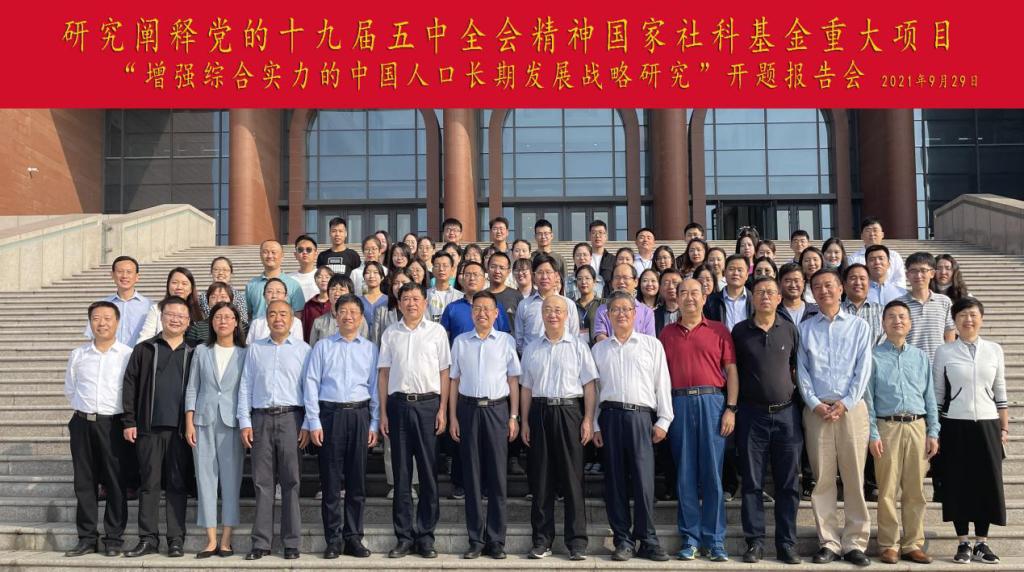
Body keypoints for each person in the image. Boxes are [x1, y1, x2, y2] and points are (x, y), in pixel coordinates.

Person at [796, 269, 873, 567]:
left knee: (854, 477)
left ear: (841, 288)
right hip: (817, 412)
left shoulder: (859, 326)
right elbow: (802, 371)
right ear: (812, 293)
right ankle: (828, 541)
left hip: (851, 410)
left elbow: (863, 369)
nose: (824, 290)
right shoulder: (805, 329)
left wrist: (846, 402)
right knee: (823, 479)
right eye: (817, 286)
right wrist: (814, 403)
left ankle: (855, 542)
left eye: (829, 285)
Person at [659, 278, 738, 562]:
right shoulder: (666, 333)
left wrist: (730, 408)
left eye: (695, 293)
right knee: (686, 473)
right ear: (676, 298)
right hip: (679, 403)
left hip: (712, 402)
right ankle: (690, 538)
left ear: (705, 298)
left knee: (712, 474)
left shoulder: (719, 330)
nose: (690, 297)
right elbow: (660, 376)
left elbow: (731, 371)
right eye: (684, 293)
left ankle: (715, 540)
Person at [591, 291, 673, 562]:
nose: (621, 314)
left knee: (644, 481)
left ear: (635, 314)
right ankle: (623, 540)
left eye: (626, 309)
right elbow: (595, 390)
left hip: (641, 418)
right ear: (608, 315)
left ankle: (647, 539)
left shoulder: (651, 345)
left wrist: (664, 420)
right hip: (610, 417)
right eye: (615, 309)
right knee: (614, 482)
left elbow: (662, 383)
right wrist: (595, 424)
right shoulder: (599, 350)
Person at [519, 295, 598, 561]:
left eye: (558, 310)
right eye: (548, 310)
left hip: (569, 412)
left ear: (566, 315)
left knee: (572, 478)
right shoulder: (532, 348)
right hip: (540, 412)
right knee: (541, 478)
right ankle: (542, 540)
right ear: (541, 314)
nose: (552, 314)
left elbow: (589, 385)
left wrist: (588, 419)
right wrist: (525, 421)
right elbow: (526, 388)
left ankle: (576, 542)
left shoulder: (578, 346)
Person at [732, 277, 803, 565]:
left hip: (786, 415)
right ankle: (755, 542)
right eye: (760, 292)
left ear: (778, 298)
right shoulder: (740, 331)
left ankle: (787, 544)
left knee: (788, 483)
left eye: (770, 292)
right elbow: (733, 372)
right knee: (752, 482)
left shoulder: (789, 329)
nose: (765, 296)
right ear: (752, 298)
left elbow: (797, 368)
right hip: (752, 415)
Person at [378, 283, 452, 559]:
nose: (411, 303)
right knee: (401, 474)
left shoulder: (436, 332)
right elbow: (384, 375)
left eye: (416, 298)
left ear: (425, 302)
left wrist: (443, 410)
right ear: (399, 303)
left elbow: (444, 373)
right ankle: (404, 536)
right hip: (398, 405)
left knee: (428, 473)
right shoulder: (390, 333)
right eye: (406, 298)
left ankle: (426, 536)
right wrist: (383, 412)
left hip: (428, 406)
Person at [304, 294, 379, 559]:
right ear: (335, 315)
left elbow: (375, 388)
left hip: (359, 415)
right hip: (330, 416)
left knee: (357, 481)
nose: (348, 316)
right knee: (331, 481)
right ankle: (333, 539)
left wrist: (374, 422)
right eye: (343, 311)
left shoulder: (370, 349)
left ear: (361, 317)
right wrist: (313, 421)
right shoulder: (322, 347)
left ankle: (354, 537)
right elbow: (311, 383)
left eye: (353, 312)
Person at [864, 300, 939, 565]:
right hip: (887, 427)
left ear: (910, 323)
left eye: (902, 317)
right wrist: (873, 434)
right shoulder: (873, 356)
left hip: (917, 426)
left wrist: (933, 431)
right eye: (892, 317)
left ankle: (913, 544)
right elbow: (868, 399)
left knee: (915, 489)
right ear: (883, 323)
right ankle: (889, 544)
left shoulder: (920, 357)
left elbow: (930, 396)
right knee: (887, 489)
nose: (898, 321)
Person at [448, 291, 522, 560]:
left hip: (497, 410)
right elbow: (454, 381)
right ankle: (476, 539)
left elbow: (513, 381)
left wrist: (514, 417)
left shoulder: (505, 341)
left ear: (496, 313)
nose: (481, 313)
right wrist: (453, 417)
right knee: (472, 476)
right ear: (471, 313)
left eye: (487, 309)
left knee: (497, 477)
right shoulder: (460, 342)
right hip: (467, 410)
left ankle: (496, 540)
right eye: (477, 308)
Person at [934, 297, 1008, 565]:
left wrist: (1004, 426)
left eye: (973, 314)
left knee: (986, 483)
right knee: (958, 482)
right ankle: (963, 542)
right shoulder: (945, 352)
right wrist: (935, 429)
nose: (968, 320)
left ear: (981, 319)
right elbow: (938, 393)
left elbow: (1000, 389)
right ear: (955, 320)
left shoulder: (994, 350)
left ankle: (982, 543)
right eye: (962, 315)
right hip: (954, 423)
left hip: (988, 422)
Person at [122, 296, 196, 558]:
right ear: (161, 317)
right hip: (148, 428)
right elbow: (129, 385)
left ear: (188, 321)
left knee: (177, 484)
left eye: (181, 316)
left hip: (181, 431)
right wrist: (129, 420)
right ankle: (147, 538)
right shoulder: (145, 349)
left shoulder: (194, 352)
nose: (175, 319)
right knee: (149, 485)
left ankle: (175, 539)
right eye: (170, 314)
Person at [238, 300, 311, 561]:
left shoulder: (303, 350)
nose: (278, 318)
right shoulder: (255, 349)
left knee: (292, 481)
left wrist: (308, 422)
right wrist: (244, 421)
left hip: (292, 418)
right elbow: (245, 385)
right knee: (262, 482)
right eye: (272, 314)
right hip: (260, 419)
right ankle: (261, 542)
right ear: (266, 319)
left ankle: (291, 542)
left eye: (283, 314)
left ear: (292, 319)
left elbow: (309, 388)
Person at [64, 301, 133, 558]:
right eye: (96, 318)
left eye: (107, 318)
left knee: (115, 481)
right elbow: (70, 388)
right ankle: (86, 538)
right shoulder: (78, 354)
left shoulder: (127, 354)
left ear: (117, 322)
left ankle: (113, 538)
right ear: (90, 322)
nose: (101, 323)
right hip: (82, 423)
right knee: (84, 482)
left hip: (113, 424)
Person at [183, 302, 246, 559]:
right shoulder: (201, 351)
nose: (223, 321)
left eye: (228, 317)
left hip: (233, 422)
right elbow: (192, 387)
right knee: (205, 479)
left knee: (231, 480)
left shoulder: (245, 353)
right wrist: (189, 421)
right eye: (218, 317)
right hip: (203, 420)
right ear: (212, 322)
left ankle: (226, 539)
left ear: (236, 322)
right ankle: (210, 540)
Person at [514, 255, 581, 353]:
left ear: (556, 276)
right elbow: (519, 341)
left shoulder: (568, 304)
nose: (544, 277)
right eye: (540, 272)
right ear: (533, 276)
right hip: (533, 359)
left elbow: (574, 336)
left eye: (548, 272)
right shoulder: (524, 305)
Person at [898, 252, 956, 362]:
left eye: (923, 270)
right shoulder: (898, 304)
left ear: (932, 273)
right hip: (910, 364)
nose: (918, 275)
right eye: (913, 271)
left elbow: (950, 337)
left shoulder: (944, 302)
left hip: (938, 365)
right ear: (907, 275)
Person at [441, 260, 511, 343]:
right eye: (467, 275)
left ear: (484, 280)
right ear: (462, 280)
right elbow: (444, 341)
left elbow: (505, 339)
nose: (472, 278)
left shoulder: (495, 306)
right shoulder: (452, 308)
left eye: (476, 274)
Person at [137, 267, 203, 343]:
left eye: (184, 283)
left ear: (191, 289)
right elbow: (144, 338)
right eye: (174, 283)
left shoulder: (200, 312)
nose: (179, 287)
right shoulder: (157, 309)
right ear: (168, 286)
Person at [592, 263, 655, 342]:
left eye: (625, 277)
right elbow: (600, 337)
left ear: (636, 282)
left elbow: (650, 340)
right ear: (612, 282)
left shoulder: (646, 312)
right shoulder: (602, 310)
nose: (621, 281)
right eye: (617, 277)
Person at [246, 240, 305, 318]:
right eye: (265, 252)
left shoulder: (294, 285)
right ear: (260, 255)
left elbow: (298, 314)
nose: (270, 256)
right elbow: (248, 314)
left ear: (282, 255)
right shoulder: (251, 285)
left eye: (273, 252)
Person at [848, 217, 907, 289]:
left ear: (882, 234)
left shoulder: (894, 256)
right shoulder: (853, 259)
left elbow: (900, 281)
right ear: (862, 236)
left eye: (875, 230)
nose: (872, 234)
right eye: (868, 231)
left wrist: (885, 292)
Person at [311, 275, 368, 347]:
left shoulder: (360, 320)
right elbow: (313, 348)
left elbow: (365, 346)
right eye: (333, 289)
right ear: (328, 293)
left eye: (342, 289)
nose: (337, 293)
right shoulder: (319, 322)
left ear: (350, 293)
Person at [704, 254, 753, 332]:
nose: (735, 273)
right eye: (731, 269)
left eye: (740, 270)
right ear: (725, 273)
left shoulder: (755, 300)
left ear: (747, 275)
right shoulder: (711, 301)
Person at [246, 278, 304, 344]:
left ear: (285, 296)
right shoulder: (257, 323)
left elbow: (298, 346)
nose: (274, 296)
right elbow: (249, 347)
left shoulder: (295, 322)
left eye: (278, 292)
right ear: (264, 296)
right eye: (269, 292)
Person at [198, 256, 249, 329]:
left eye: (225, 270)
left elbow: (243, 322)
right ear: (211, 272)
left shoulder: (239, 297)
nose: (221, 273)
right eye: (216, 270)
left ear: (231, 273)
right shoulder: (203, 297)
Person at [841, 263, 884, 346]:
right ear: (844, 285)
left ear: (869, 284)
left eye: (862, 278)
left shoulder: (882, 312)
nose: (858, 282)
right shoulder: (835, 311)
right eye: (853, 278)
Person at [487, 251, 523, 337]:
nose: (497, 271)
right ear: (487, 269)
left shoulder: (516, 296)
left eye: (502, 268)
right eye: (493, 267)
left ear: (508, 271)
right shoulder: (480, 297)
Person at [426, 252, 464, 321]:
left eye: (445, 266)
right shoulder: (425, 296)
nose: (441, 269)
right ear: (433, 270)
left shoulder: (460, 297)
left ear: (452, 270)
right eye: (437, 266)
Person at [301, 266, 334, 342]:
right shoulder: (309, 305)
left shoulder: (336, 303)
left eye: (327, 277)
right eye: (319, 277)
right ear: (315, 281)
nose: (323, 280)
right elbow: (305, 329)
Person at [574, 265, 604, 346]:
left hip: (597, 348)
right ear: (576, 283)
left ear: (594, 282)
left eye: (587, 278)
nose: (583, 282)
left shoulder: (602, 304)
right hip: (577, 349)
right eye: (579, 279)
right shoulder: (572, 306)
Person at [288, 234, 320, 302]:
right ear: (295, 255)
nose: (304, 252)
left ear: (315, 254)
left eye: (309, 249)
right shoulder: (288, 279)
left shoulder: (324, 277)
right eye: (300, 250)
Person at [358, 261, 389, 330]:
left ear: (382, 277)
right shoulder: (357, 301)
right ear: (364, 277)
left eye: (375, 272)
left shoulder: (388, 300)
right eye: (368, 273)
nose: (371, 276)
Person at [654, 268, 683, 336]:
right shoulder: (653, 315)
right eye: (666, 283)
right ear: (660, 288)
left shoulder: (690, 313)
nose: (671, 287)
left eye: (675, 283)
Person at [588, 219, 615, 285]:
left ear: (606, 236)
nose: (597, 236)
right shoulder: (584, 258)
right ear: (590, 236)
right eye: (594, 233)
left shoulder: (612, 259)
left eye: (600, 232)